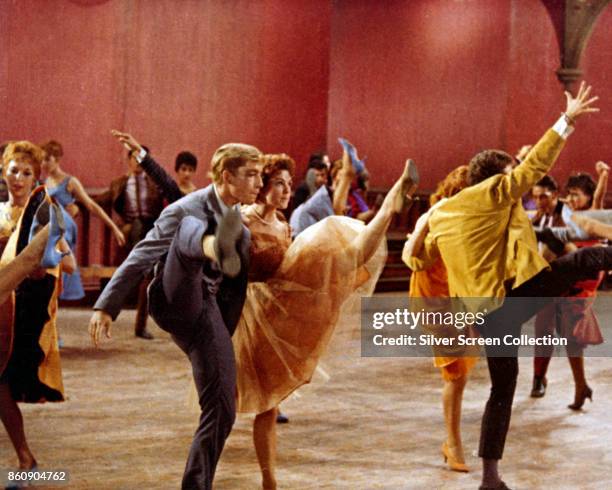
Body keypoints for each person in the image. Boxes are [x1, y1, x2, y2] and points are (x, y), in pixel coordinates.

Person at [404, 82, 609, 490]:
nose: (516, 185)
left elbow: (417, 260)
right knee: (587, 258)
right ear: (496, 180)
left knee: (502, 390)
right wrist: (566, 120)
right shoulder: (495, 193)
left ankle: (490, 478)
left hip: (486, 316)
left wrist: (422, 225)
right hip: (510, 301)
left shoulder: (445, 214)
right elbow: (533, 168)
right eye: (509, 178)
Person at [229, 152, 416, 489]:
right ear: (262, 187)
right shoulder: (242, 218)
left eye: (289, 184)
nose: (287, 191)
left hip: (280, 303)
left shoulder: (283, 224)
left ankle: (388, 209)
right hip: (251, 312)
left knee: (339, 246)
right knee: (235, 402)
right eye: (279, 184)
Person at [89, 137, 263, 490]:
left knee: (222, 408)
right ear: (227, 177)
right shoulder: (184, 208)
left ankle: (195, 485)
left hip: (205, 312)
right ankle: (212, 245)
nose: (258, 183)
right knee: (189, 228)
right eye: (251, 175)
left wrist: (220, 339)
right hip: (174, 298)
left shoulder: (241, 229)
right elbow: (142, 255)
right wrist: (106, 307)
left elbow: (234, 291)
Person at [1, 141, 73, 477]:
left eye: (26, 172)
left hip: (22, 315)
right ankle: (26, 458)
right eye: (13, 170)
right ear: (4, 172)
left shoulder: (45, 212)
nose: (18, 177)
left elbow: (69, 263)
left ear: (35, 177)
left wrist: (43, 262)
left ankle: (26, 458)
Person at [403, 165, 477, 473]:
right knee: (456, 373)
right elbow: (413, 257)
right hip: (434, 299)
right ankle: (453, 444)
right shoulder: (437, 215)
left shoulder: (470, 218)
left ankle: (452, 442)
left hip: (456, 297)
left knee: (461, 371)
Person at [530, 161, 609, 405]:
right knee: (544, 328)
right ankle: (540, 378)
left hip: (581, 282)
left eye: (577, 195)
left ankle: (580, 386)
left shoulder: (593, 215)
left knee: (571, 336)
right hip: (559, 277)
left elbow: (599, 196)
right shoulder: (565, 213)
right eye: (570, 195)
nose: (572, 199)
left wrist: (604, 175)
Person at [41, 139, 126, 300]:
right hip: (52, 223)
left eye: (47, 159)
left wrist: (114, 228)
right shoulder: (46, 182)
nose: (44, 164)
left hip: (64, 225)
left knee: (58, 250)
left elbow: (92, 206)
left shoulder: (70, 181)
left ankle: (58, 292)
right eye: (42, 159)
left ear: (57, 159)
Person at [95, 146, 165, 339]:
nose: (138, 162)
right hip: (129, 231)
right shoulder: (120, 183)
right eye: (134, 158)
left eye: (141, 158)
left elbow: (170, 197)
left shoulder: (155, 183)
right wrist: (74, 200)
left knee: (147, 277)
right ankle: (106, 311)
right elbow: (102, 200)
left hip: (150, 229)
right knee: (131, 271)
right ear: (129, 161)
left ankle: (140, 325)